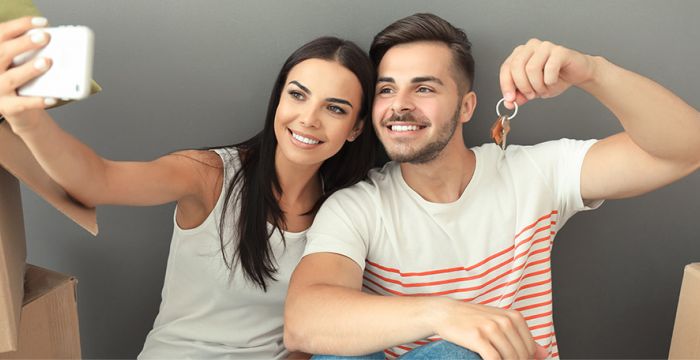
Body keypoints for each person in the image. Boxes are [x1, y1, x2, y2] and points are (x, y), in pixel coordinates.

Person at [284, 13, 700, 360]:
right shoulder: (358, 206)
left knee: (466, 355)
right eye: (386, 89)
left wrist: (593, 71)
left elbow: (686, 149)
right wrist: (444, 315)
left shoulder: (535, 173)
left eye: (424, 88)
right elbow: (304, 322)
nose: (400, 104)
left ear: (466, 107)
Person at [0, 16, 380, 359]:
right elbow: (98, 181)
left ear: (356, 128)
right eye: (297, 95)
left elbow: (312, 338)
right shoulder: (210, 174)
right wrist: (26, 119)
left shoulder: (346, 212)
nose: (308, 119)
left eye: (335, 108)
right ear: (278, 99)